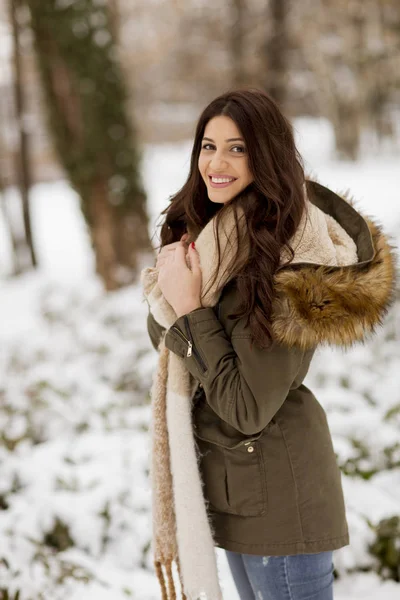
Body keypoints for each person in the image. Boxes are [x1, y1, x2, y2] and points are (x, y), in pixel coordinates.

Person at [145, 88, 396, 600]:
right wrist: (182, 304)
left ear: (268, 155)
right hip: (237, 490)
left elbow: (245, 407)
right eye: (208, 146)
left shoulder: (287, 260)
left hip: (279, 495)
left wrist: (192, 309)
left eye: (238, 148)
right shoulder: (215, 240)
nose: (217, 162)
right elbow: (171, 343)